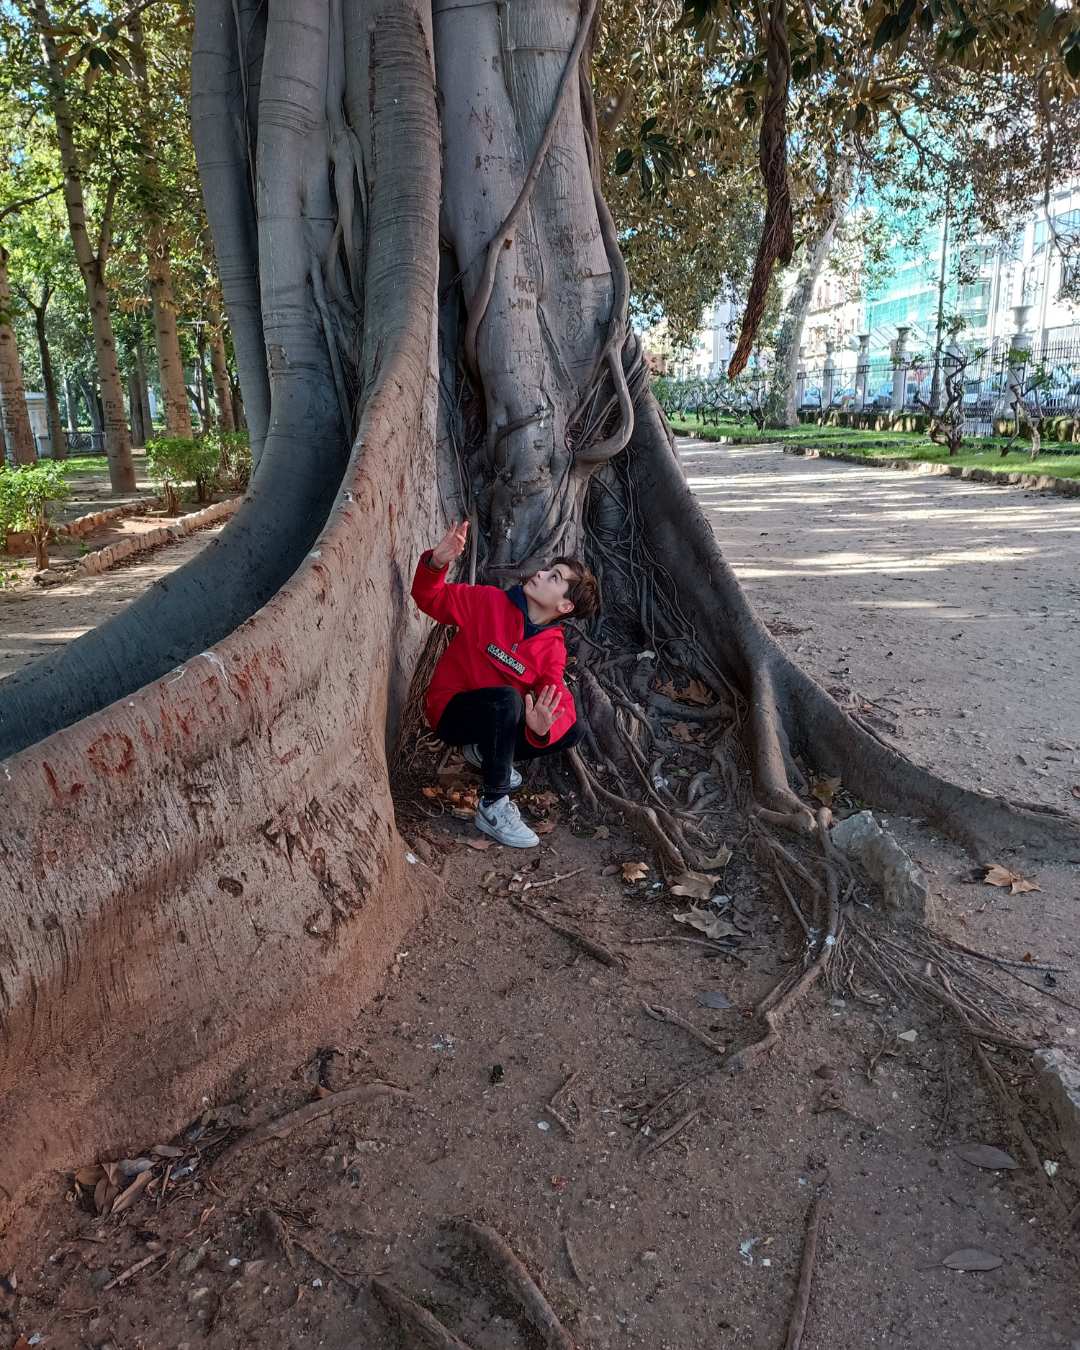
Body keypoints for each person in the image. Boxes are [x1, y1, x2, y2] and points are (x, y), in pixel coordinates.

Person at [411, 520, 600, 847]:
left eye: (553, 577)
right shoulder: (488, 602)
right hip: (451, 711)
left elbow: (558, 699)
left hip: (496, 722)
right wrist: (436, 563)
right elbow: (430, 598)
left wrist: (542, 728)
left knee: (572, 729)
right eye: (546, 570)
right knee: (508, 700)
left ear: (565, 606)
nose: (540, 574)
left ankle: (485, 753)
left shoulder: (552, 648)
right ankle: (493, 805)